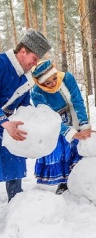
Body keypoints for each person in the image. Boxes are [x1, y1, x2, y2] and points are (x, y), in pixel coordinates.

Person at [0, 28, 52, 201]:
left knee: (15, 159)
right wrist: (4, 122)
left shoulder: (26, 78)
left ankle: (16, 203)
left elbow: (24, 106)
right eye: (34, 59)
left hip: (8, 124)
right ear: (23, 51)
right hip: (4, 122)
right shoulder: (1, 64)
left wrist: (36, 121)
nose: (34, 64)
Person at [31, 60, 92, 194]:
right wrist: (70, 133)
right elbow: (48, 118)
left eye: (54, 78)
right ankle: (63, 182)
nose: (53, 83)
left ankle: (79, 180)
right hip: (54, 123)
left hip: (72, 115)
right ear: (40, 84)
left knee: (77, 148)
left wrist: (84, 124)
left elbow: (77, 101)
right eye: (48, 83)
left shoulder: (67, 78)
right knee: (61, 151)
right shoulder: (37, 93)